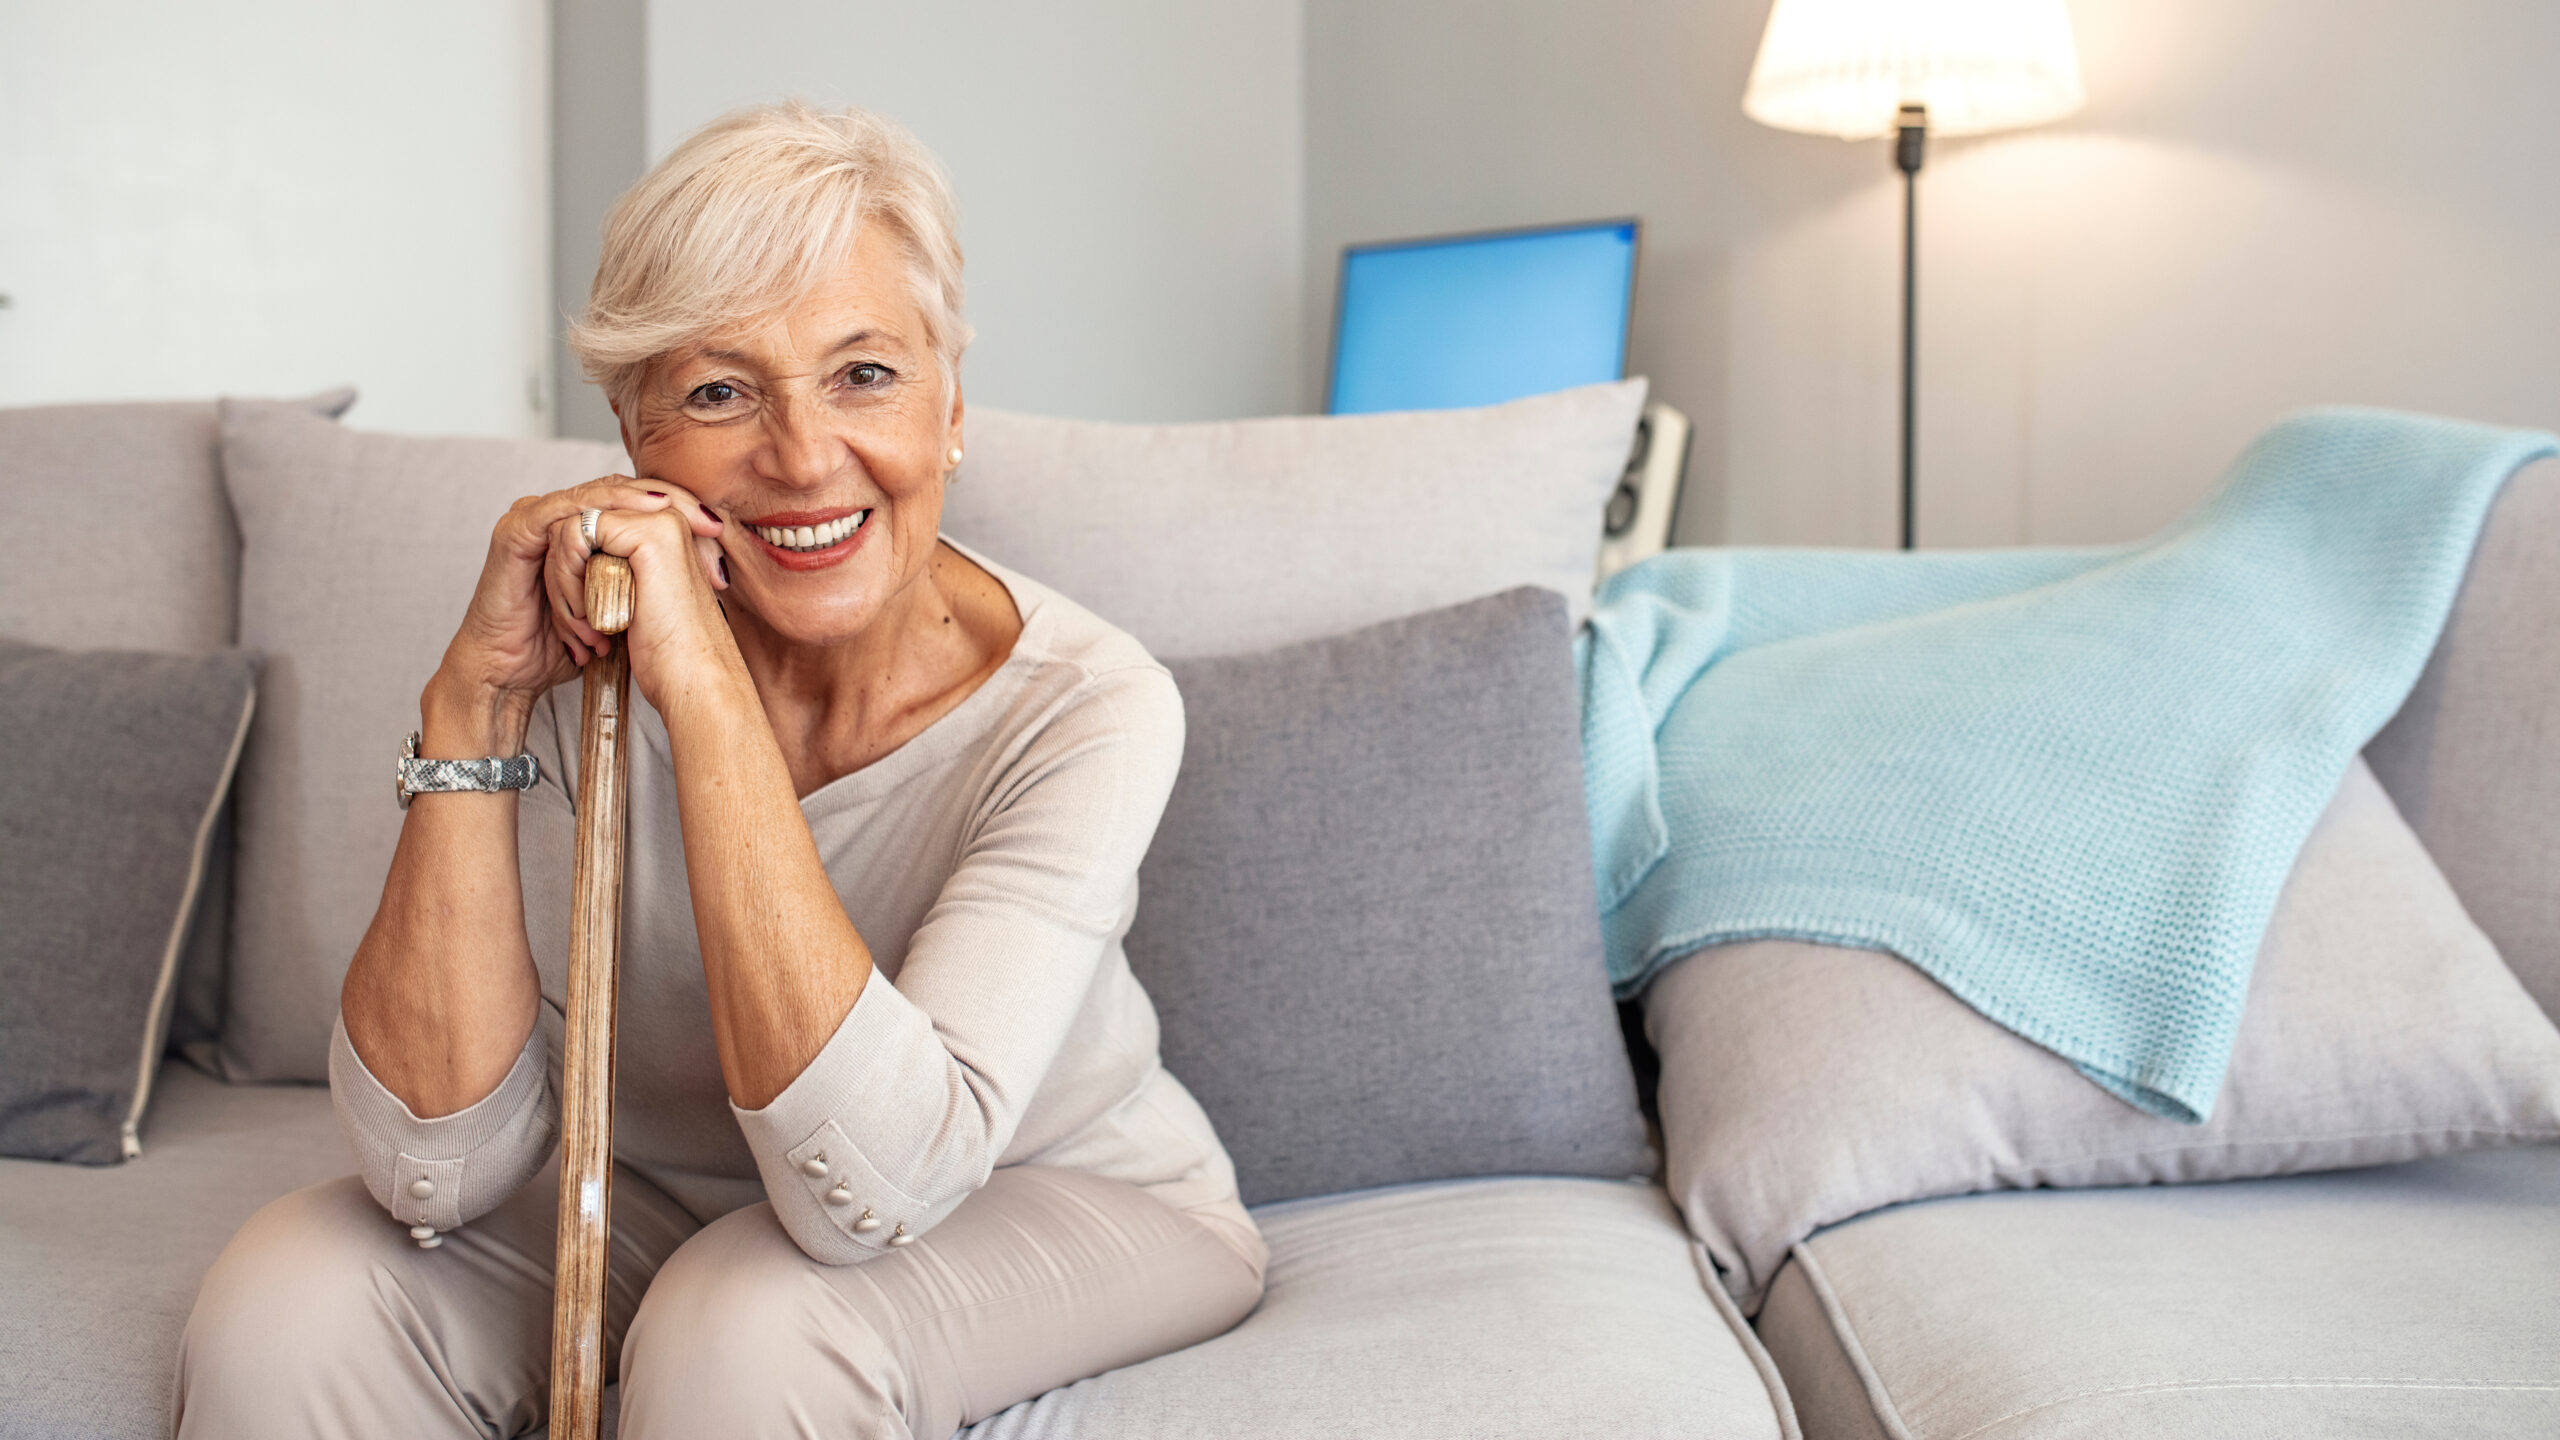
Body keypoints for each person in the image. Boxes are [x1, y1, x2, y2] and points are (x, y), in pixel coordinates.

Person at [174, 101, 1264, 1439]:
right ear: (639, 440)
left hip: (1045, 1190)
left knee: (743, 1328)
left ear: (953, 406)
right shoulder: (568, 656)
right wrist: (478, 698)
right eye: (720, 391)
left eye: (865, 374)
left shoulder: (1090, 705)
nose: (804, 456)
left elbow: (866, 1188)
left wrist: (705, 692)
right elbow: (431, 1171)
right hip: (655, 1192)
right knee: (290, 1301)